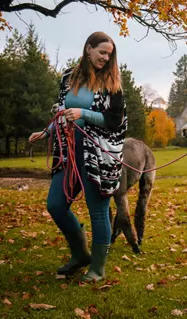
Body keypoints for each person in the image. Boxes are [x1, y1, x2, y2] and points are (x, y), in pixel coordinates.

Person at [29, 31, 127, 282]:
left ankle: (97, 268)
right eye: (102, 52)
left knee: (98, 211)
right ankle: (80, 253)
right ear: (88, 49)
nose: (106, 58)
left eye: (109, 54)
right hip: (67, 150)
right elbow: (62, 111)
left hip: (96, 153)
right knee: (56, 205)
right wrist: (46, 131)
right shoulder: (67, 78)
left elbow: (115, 121)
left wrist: (83, 112)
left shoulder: (112, 83)